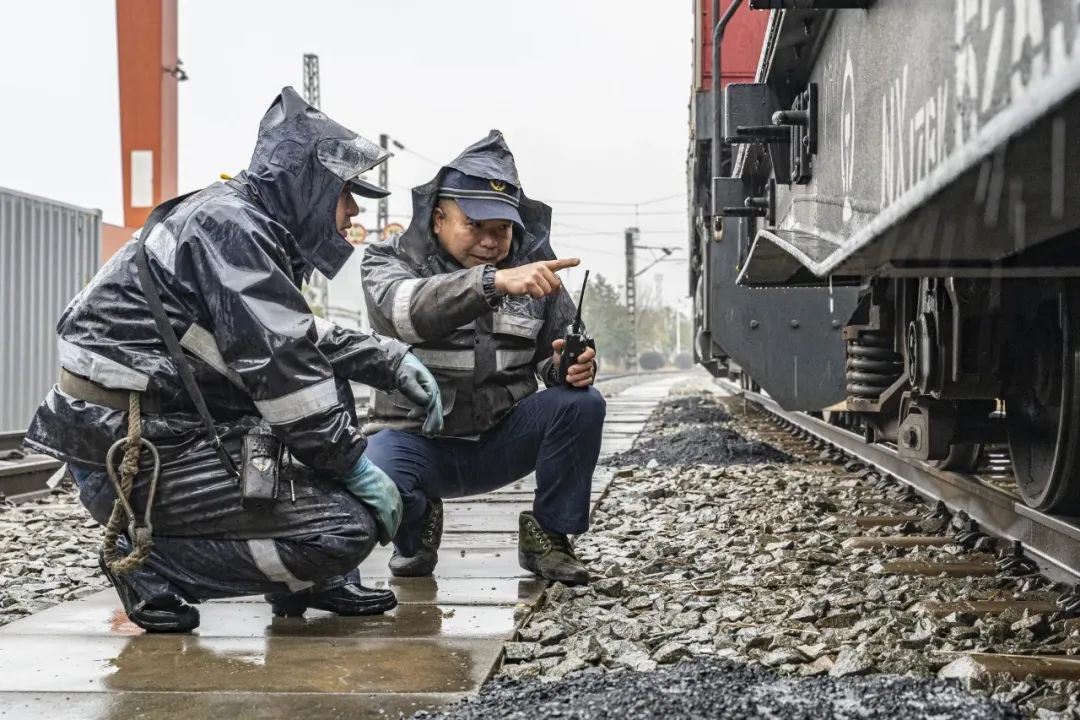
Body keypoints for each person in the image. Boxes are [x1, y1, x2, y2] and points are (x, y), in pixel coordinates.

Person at [23, 87, 443, 633]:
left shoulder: (238, 222)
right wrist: (354, 467)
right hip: (132, 449)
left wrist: (385, 358)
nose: (355, 211)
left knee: (327, 398)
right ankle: (150, 561)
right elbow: (284, 367)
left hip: (161, 429)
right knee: (344, 530)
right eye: (346, 194)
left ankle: (310, 579)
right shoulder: (231, 227)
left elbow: (287, 334)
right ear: (307, 187)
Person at [360, 130, 605, 586]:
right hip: (418, 443)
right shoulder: (389, 262)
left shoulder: (535, 272)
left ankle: (549, 536)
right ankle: (416, 528)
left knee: (583, 403)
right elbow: (402, 312)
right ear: (438, 219)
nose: (491, 242)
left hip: (500, 442)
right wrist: (491, 282)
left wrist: (569, 368)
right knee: (375, 469)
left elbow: (554, 356)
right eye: (476, 226)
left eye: (502, 230)